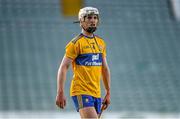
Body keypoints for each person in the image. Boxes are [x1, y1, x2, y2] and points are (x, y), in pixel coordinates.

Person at [56, 6, 111, 118]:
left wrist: (108, 92)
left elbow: (105, 69)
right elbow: (63, 67)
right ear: (81, 21)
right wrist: (60, 92)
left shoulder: (101, 43)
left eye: (95, 17)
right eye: (89, 17)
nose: (93, 20)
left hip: (96, 93)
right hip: (81, 90)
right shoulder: (75, 43)